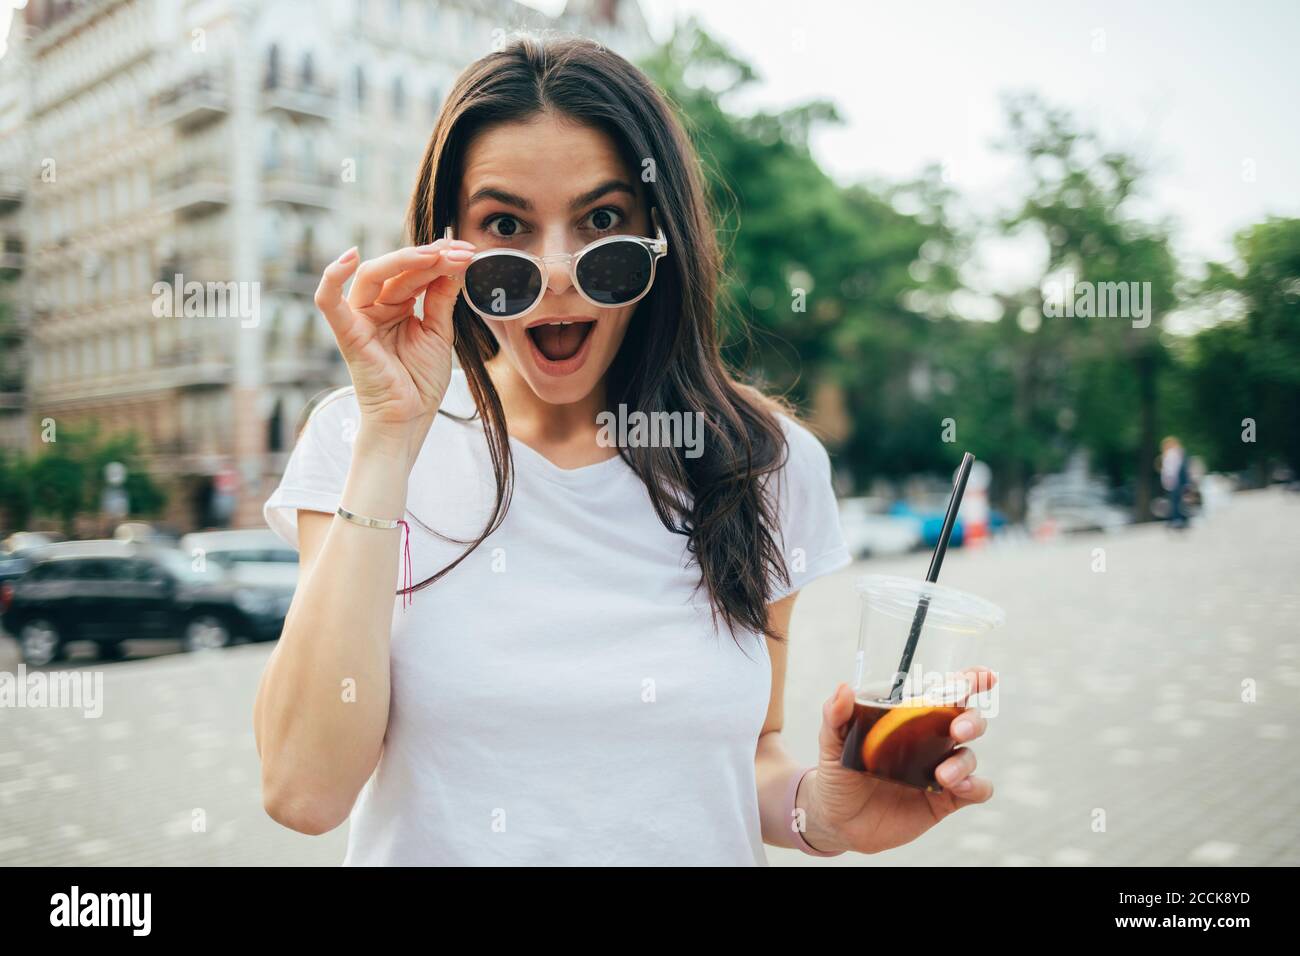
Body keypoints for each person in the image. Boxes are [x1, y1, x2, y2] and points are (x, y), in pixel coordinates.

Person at [254, 34, 997, 866]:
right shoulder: (361, 435)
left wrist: (822, 813)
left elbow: (747, 752)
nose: (560, 269)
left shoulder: (765, 461)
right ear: (445, 247)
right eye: (505, 225)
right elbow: (303, 791)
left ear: (659, 235)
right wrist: (391, 439)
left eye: (602, 221)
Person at [1160, 435, 1190, 529]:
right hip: (1177, 482)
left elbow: (1171, 470)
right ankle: (1179, 519)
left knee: (1175, 502)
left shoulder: (1171, 453)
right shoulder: (1178, 453)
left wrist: (1168, 481)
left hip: (1174, 482)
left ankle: (1177, 520)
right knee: (1178, 501)